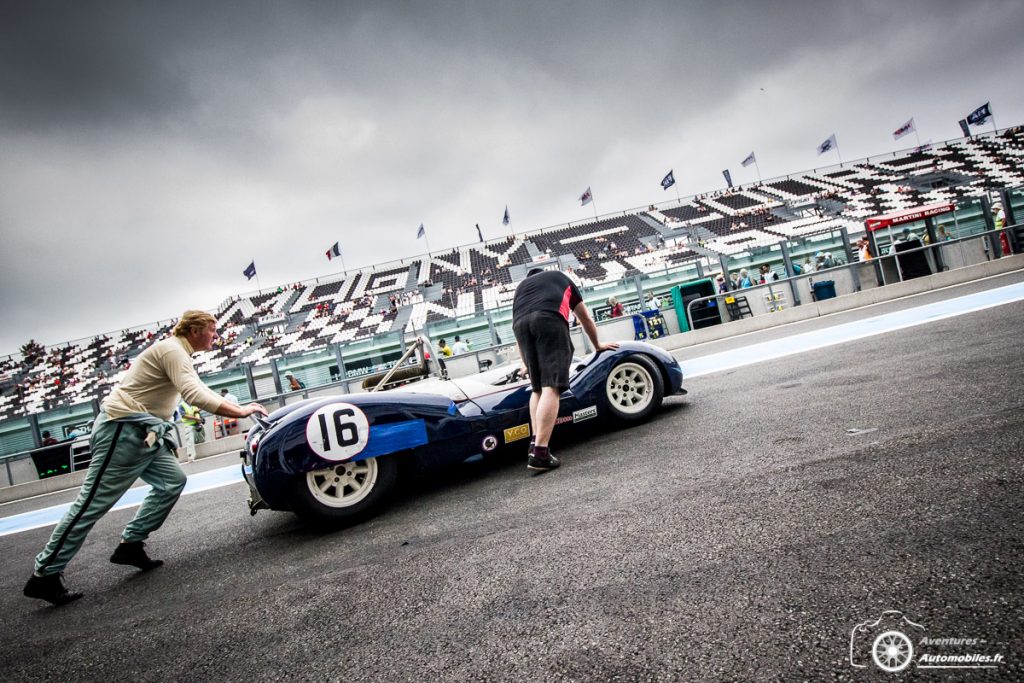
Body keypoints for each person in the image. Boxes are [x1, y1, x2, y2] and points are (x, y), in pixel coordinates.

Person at [23, 310, 268, 606]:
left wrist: (240, 406)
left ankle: (131, 545)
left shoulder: (179, 352)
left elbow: (198, 389)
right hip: (123, 429)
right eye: (212, 331)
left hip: (144, 432)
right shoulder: (172, 350)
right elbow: (193, 395)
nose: (216, 337)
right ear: (194, 331)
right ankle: (44, 575)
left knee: (171, 482)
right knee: (91, 503)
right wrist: (241, 411)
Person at [512, 268, 618, 472]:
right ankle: (540, 453)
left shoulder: (521, 289)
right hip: (548, 320)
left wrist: (523, 363)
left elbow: (518, 329)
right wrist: (597, 345)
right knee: (552, 386)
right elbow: (584, 317)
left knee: (537, 388)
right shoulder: (560, 278)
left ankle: (535, 444)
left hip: (521, 327)